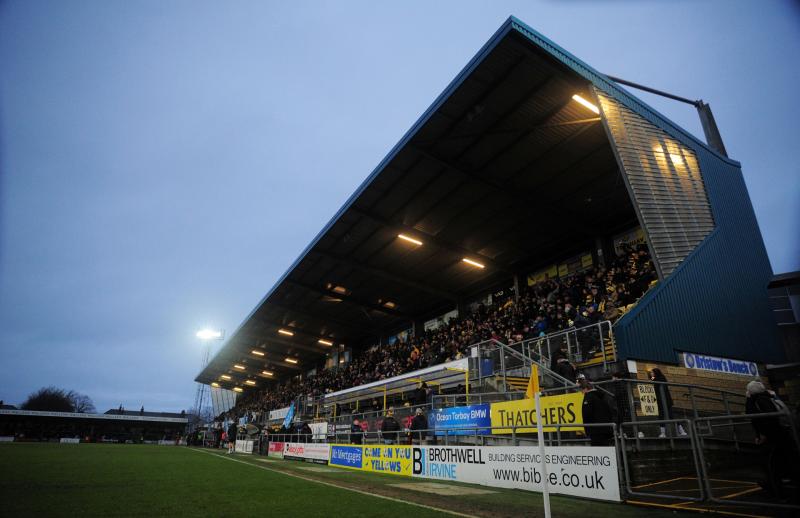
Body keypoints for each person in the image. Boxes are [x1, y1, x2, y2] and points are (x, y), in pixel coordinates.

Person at [745, 380, 796, 497]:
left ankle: (777, 491)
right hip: (784, 434)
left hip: (772, 437)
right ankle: (778, 483)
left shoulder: (757, 400)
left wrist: (762, 435)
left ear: (751, 391)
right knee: (784, 460)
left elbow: (752, 416)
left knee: (770, 465)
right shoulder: (771, 397)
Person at [649, 368, 687, 438]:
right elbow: (652, 379)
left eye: (652, 372)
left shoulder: (660, 378)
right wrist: (652, 377)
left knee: (670, 415)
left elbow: (653, 380)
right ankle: (664, 433)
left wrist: (652, 378)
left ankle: (682, 431)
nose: (651, 374)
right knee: (662, 416)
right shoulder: (657, 378)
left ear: (655, 373)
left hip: (666, 400)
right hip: (661, 400)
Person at [579, 379, 615, 446]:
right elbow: (610, 410)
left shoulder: (588, 397)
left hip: (595, 429)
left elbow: (586, 414)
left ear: (585, 389)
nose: (581, 392)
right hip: (606, 428)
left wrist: (587, 429)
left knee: (598, 450)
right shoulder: (601, 396)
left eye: (582, 390)